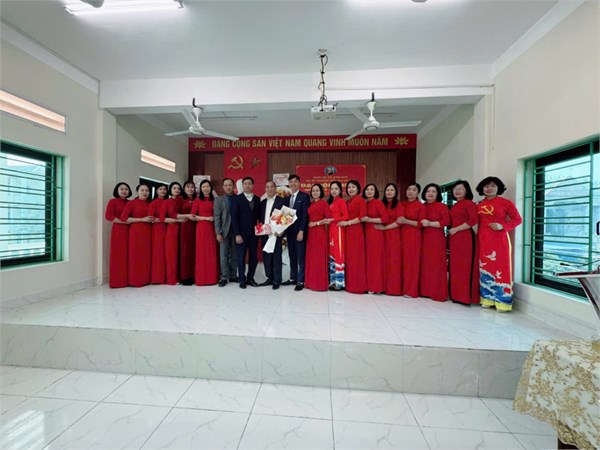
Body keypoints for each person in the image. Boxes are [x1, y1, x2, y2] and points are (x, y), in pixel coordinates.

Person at [476, 176, 522, 312]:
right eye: (486, 186)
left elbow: (518, 219)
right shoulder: (479, 205)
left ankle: (503, 302)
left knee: (501, 269)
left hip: (499, 239)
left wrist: (503, 226)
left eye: (493, 186)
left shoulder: (505, 203)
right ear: (482, 189)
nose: (489, 189)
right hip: (483, 239)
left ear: (498, 188)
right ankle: (487, 299)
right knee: (484, 268)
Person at [448, 180, 479, 305]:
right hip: (454, 238)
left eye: (461, 188)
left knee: (465, 267)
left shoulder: (469, 204)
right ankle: (456, 295)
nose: (457, 191)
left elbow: (473, 220)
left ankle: (465, 297)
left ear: (466, 191)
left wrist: (457, 229)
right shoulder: (455, 205)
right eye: (455, 189)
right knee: (455, 266)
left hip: (466, 237)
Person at [419, 183, 451, 302]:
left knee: (436, 264)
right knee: (424, 264)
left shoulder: (442, 206)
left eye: (433, 191)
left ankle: (436, 290)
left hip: (436, 237)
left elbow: (447, 221)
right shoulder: (422, 206)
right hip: (422, 237)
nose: (430, 194)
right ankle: (424, 290)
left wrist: (430, 223)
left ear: (438, 194)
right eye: (428, 191)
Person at [120, 183, 153, 287]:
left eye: (147, 190)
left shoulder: (150, 203)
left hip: (148, 232)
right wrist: (142, 219)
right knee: (135, 255)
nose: (145, 192)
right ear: (137, 191)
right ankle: (135, 280)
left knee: (146, 256)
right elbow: (124, 218)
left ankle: (146, 279)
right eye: (142, 190)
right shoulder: (132, 203)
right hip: (136, 232)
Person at [231, 176, 261, 289]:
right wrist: (237, 234)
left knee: (254, 258)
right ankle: (242, 279)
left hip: (254, 234)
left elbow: (259, 216)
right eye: (245, 184)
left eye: (249, 184)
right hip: (241, 234)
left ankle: (250, 278)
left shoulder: (257, 199)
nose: (247, 186)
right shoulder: (237, 199)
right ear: (242, 185)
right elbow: (234, 218)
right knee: (241, 258)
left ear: (253, 185)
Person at [339, 180, 367, 295]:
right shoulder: (347, 201)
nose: (351, 189)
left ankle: (357, 286)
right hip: (347, 232)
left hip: (356, 231)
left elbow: (362, 217)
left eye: (353, 187)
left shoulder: (360, 200)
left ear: (358, 189)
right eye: (349, 187)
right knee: (349, 258)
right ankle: (350, 284)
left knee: (356, 258)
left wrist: (348, 223)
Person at [398, 183, 426, 297]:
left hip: (413, 236)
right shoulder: (402, 204)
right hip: (401, 235)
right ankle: (399, 288)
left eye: (414, 190)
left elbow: (422, 223)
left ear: (418, 193)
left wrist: (406, 221)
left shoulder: (420, 206)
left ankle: (411, 290)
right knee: (401, 262)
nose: (410, 191)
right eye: (409, 189)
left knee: (411, 263)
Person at [283, 174, 310, 291]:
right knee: (292, 255)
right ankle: (293, 277)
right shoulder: (287, 198)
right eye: (291, 182)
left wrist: (301, 230)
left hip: (299, 232)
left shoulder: (304, 197)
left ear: (299, 183)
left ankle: (301, 280)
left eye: (295, 181)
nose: (293, 184)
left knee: (300, 256)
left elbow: (305, 216)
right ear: (288, 184)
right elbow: (284, 217)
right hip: (289, 232)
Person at [377, 183, 404, 296]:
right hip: (381, 236)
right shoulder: (381, 204)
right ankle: (382, 286)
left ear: (395, 192)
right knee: (383, 261)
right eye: (387, 190)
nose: (389, 192)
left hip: (393, 235)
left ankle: (393, 288)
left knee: (393, 262)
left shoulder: (398, 205)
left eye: (392, 190)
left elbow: (399, 222)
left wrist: (385, 228)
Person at [191, 180, 219, 286]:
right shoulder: (197, 200)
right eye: (203, 187)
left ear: (211, 188)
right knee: (202, 252)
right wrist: (206, 218)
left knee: (212, 252)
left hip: (213, 228)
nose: (206, 188)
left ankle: (213, 278)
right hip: (202, 228)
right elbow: (193, 216)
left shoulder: (215, 200)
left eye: (207, 186)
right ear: (200, 189)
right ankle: (201, 278)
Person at [259, 181, 285, 289]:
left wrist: (282, 230)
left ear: (275, 188)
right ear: (265, 189)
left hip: (276, 233)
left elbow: (286, 217)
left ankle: (277, 280)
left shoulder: (282, 201)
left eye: (272, 187)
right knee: (266, 256)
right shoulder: (262, 202)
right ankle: (269, 277)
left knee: (276, 257)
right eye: (267, 187)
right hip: (265, 233)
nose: (270, 189)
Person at [362, 183, 388, 294]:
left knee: (375, 260)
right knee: (367, 260)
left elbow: (385, 218)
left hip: (375, 233)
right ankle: (368, 285)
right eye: (367, 189)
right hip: (365, 234)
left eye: (372, 189)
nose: (369, 191)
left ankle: (376, 286)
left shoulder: (378, 203)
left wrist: (370, 220)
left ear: (375, 191)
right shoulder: (364, 203)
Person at [305, 184, 331, 292]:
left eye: (317, 190)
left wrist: (316, 223)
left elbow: (328, 219)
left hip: (320, 233)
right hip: (311, 233)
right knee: (311, 257)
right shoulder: (311, 204)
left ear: (321, 192)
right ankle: (311, 282)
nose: (315, 192)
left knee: (319, 258)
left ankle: (319, 284)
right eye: (313, 191)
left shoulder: (324, 203)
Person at [105, 182, 131, 288]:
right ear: (117, 190)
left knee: (129, 255)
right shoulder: (113, 201)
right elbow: (109, 216)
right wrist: (124, 222)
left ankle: (129, 279)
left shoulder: (130, 202)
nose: (124, 191)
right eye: (122, 189)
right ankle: (118, 281)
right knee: (118, 255)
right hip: (118, 230)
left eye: (126, 189)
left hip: (131, 230)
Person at [214, 178, 238, 287]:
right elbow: (217, 217)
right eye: (226, 185)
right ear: (223, 187)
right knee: (223, 255)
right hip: (224, 231)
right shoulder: (219, 200)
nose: (228, 187)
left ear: (233, 186)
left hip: (236, 231)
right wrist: (218, 232)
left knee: (234, 255)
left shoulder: (238, 198)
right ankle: (224, 277)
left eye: (230, 185)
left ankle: (233, 275)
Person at [327, 181, 350, 290]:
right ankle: (333, 281)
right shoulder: (331, 202)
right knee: (332, 255)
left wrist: (333, 219)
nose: (334, 191)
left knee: (338, 255)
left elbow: (346, 216)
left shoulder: (341, 201)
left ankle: (339, 283)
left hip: (339, 230)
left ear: (340, 190)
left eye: (336, 189)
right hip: (331, 230)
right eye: (332, 189)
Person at [163, 182, 183, 285]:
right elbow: (162, 218)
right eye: (174, 188)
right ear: (170, 190)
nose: (176, 190)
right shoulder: (166, 202)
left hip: (183, 229)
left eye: (178, 188)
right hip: (172, 229)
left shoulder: (182, 201)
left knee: (181, 254)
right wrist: (177, 220)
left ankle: (181, 277)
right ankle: (172, 279)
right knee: (172, 254)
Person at [148, 183, 168, 284]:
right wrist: (163, 220)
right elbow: (151, 218)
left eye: (164, 189)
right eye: (160, 189)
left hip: (168, 228)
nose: (163, 191)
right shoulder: (153, 203)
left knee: (167, 253)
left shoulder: (168, 201)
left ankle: (167, 276)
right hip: (158, 230)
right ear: (156, 191)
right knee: (159, 253)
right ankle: (158, 277)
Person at [178, 181, 197, 285]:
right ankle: (185, 276)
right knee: (185, 251)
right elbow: (174, 213)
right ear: (184, 189)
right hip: (185, 227)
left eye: (192, 187)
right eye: (188, 187)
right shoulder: (180, 199)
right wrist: (186, 216)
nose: (190, 189)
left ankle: (194, 275)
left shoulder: (197, 199)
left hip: (196, 227)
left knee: (194, 251)